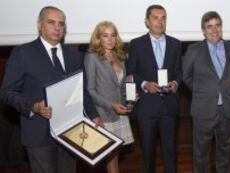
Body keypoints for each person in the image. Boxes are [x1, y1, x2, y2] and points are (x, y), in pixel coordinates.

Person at [0, 6, 101, 173]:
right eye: (51, 22)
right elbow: (6, 93)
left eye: (61, 24)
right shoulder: (23, 53)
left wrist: (94, 115)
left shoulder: (74, 56)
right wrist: (33, 106)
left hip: (70, 132)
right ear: (40, 25)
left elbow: (82, 90)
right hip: (38, 133)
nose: (57, 27)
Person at [126, 4, 182, 173]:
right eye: (155, 18)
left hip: (169, 107)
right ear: (147, 21)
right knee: (148, 154)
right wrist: (145, 85)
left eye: (163, 18)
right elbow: (131, 73)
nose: (160, 22)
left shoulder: (176, 44)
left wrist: (176, 84)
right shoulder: (136, 44)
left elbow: (179, 71)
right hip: (146, 108)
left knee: (170, 153)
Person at [182, 11, 230, 173]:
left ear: (221, 27)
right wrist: (204, 91)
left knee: (225, 148)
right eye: (209, 26)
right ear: (203, 30)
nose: (214, 30)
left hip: (227, 108)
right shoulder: (193, 50)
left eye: (217, 25)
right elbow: (187, 77)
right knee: (200, 152)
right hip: (203, 109)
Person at [84, 21, 134, 173]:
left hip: (120, 112)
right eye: (105, 35)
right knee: (109, 155)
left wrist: (131, 96)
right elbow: (90, 90)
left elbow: (123, 85)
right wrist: (110, 105)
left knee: (115, 153)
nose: (110, 39)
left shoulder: (120, 56)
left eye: (113, 35)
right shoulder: (92, 57)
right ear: (98, 38)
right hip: (104, 114)